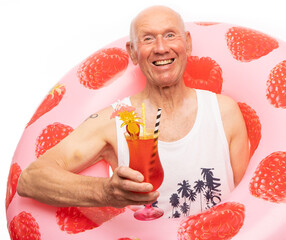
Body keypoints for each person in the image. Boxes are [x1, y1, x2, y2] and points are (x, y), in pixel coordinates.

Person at [17, 5, 249, 218]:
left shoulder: (223, 110)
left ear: (187, 43)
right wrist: (106, 192)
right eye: (148, 39)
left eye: (170, 35)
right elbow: (30, 179)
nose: (161, 48)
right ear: (133, 52)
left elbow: (249, 202)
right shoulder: (117, 117)